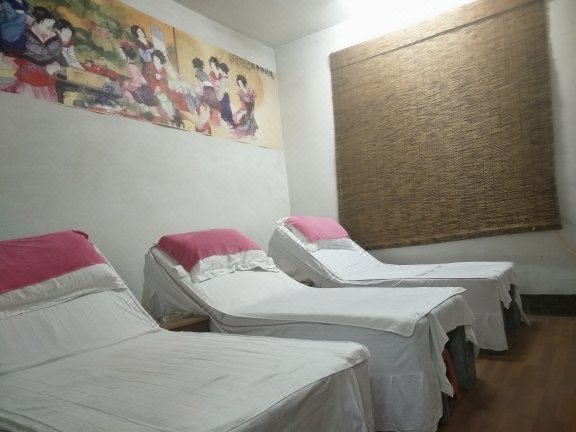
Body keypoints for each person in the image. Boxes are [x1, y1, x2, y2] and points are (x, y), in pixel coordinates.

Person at [0, 6, 61, 101]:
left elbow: (56, 51)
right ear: (40, 21)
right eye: (48, 21)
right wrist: (48, 48)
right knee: (31, 81)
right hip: (30, 61)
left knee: (49, 76)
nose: (52, 23)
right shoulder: (30, 31)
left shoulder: (52, 34)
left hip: (46, 63)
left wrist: (50, 44)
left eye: (52, 21)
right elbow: (34, 50)